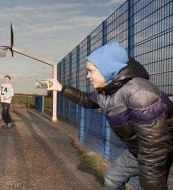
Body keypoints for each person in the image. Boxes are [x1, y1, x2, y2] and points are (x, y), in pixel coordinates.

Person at [47, 42, 173, 190]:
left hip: (161, 151)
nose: (88, 76)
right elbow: (87, 100)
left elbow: (154, 151)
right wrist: (61, 88)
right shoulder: (106, 91)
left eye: (91, 71)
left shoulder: (140, 94)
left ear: (107, 69)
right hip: (138, 150)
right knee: (112, 179)